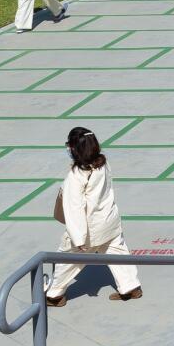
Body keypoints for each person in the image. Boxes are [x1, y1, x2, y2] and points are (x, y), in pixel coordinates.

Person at [44, 127, 143, 306]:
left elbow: (74, 208)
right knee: (118, 252)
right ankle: (130, 287)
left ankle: (55, 295)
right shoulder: (103, 164)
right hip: (109, 222)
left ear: (75, 149)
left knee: (67, 260)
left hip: (90, 229)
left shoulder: (75, 176)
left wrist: (78, 238)